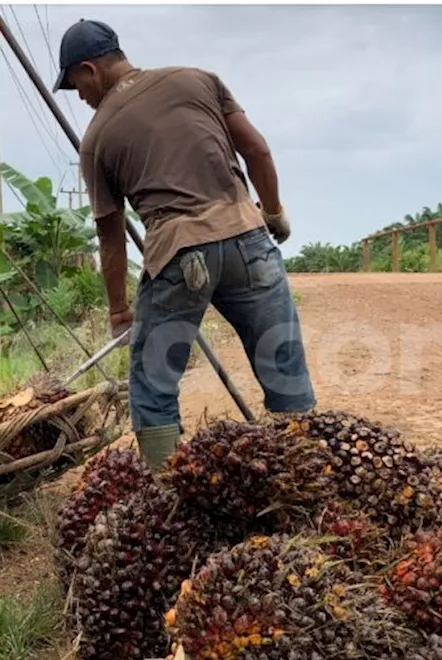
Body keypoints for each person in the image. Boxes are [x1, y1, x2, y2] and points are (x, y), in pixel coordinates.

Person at [52, 19, 316, 470]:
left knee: (153, 384)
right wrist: (272, 212)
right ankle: (305, 476)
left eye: (74, 83)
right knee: (283, 365)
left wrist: (118, 310)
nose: (79, 95)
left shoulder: (96, 139)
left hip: (179, 253)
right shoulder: (198, 79)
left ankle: (167, 498)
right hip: (249, 239)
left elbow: (110, 235)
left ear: (89, 69)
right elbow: (257, 151)